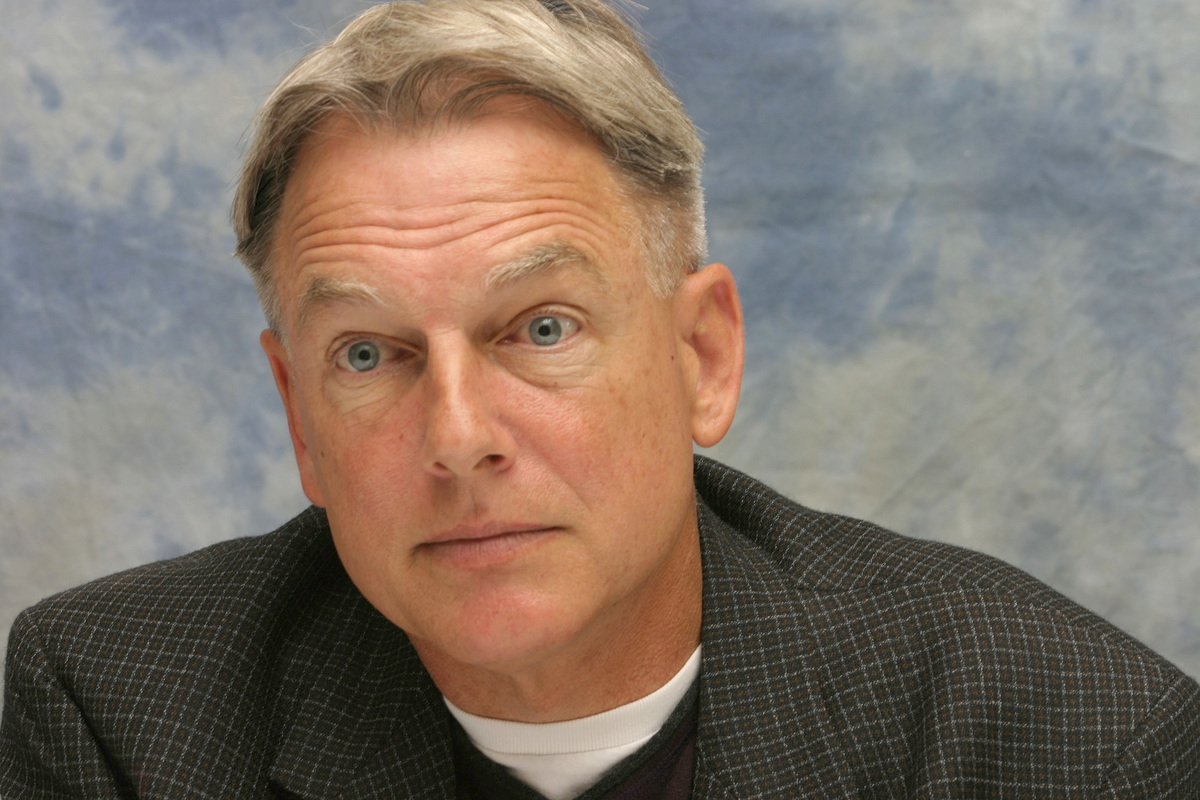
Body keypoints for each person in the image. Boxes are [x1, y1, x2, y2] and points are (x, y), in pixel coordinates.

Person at [2, 0, 1198, 797]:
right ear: (296, 411)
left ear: (702, 357)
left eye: (542, 327)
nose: (459, 438)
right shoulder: (124, 713)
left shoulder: (1069, 738)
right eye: (368, 354)